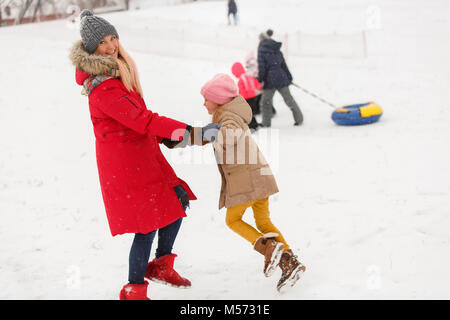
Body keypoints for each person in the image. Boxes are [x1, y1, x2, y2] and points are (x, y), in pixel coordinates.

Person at [69, 10, 220, 300]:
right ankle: (133, 288)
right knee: (147, 224)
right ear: (91, 49)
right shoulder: (103, 87)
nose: (111, 45)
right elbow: (144, 120)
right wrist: (192, 133)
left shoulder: (116, 72)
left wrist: (175, 138)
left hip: (143, 156)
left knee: (177, 200)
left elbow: (141, 121)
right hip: (127, 164)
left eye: (113, 38)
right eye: (102, 42)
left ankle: (162, 265)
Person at [199, 74, 306, 292]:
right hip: (259, 178)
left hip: (248, 181)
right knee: (264, 223)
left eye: (206, 99)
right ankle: (289, 262)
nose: (204, 104)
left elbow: (227, 135)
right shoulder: (230, 114)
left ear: (219, 100)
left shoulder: (229, 117)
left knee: (233, 220)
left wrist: (198, 134)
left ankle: (270, 250)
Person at [257, 29, 303, 127]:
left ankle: (266, 123)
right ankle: (299, 119)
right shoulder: (275, 48)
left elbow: (262, 67)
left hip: (270, 80)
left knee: (266, 102)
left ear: (261, 39)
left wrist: (260, 79)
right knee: (289, 99)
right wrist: (289, 77)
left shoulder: (261, 49)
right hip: (281, 77)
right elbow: (283, 64)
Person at [231, 61, 262, 131]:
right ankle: (254, 124)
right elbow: (257, 83)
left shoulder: (241, 80)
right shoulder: (249, 75)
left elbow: (241, 91)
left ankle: (252, 126)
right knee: (250, 112)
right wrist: (258, 89)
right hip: (254, 97)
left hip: (247, 98)